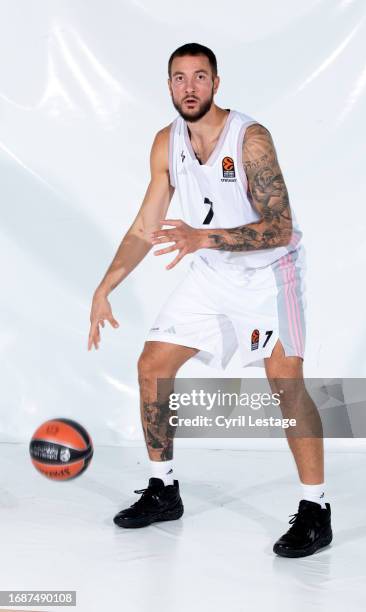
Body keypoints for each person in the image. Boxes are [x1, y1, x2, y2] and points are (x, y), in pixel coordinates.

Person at [88, 43, 332, 558]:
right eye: (180, 78)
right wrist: (104, 286)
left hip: (270, 276)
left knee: (285, 387)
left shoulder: (251, 139)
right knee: (152, 364)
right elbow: (144, 226)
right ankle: (163, 489)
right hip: (212, 273)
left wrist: (206, 237)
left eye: (200, 77)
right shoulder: (166, 142)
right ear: (169, 85)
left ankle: (316, 508)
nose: (190, 87)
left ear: (216, 83)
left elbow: (280, 226)